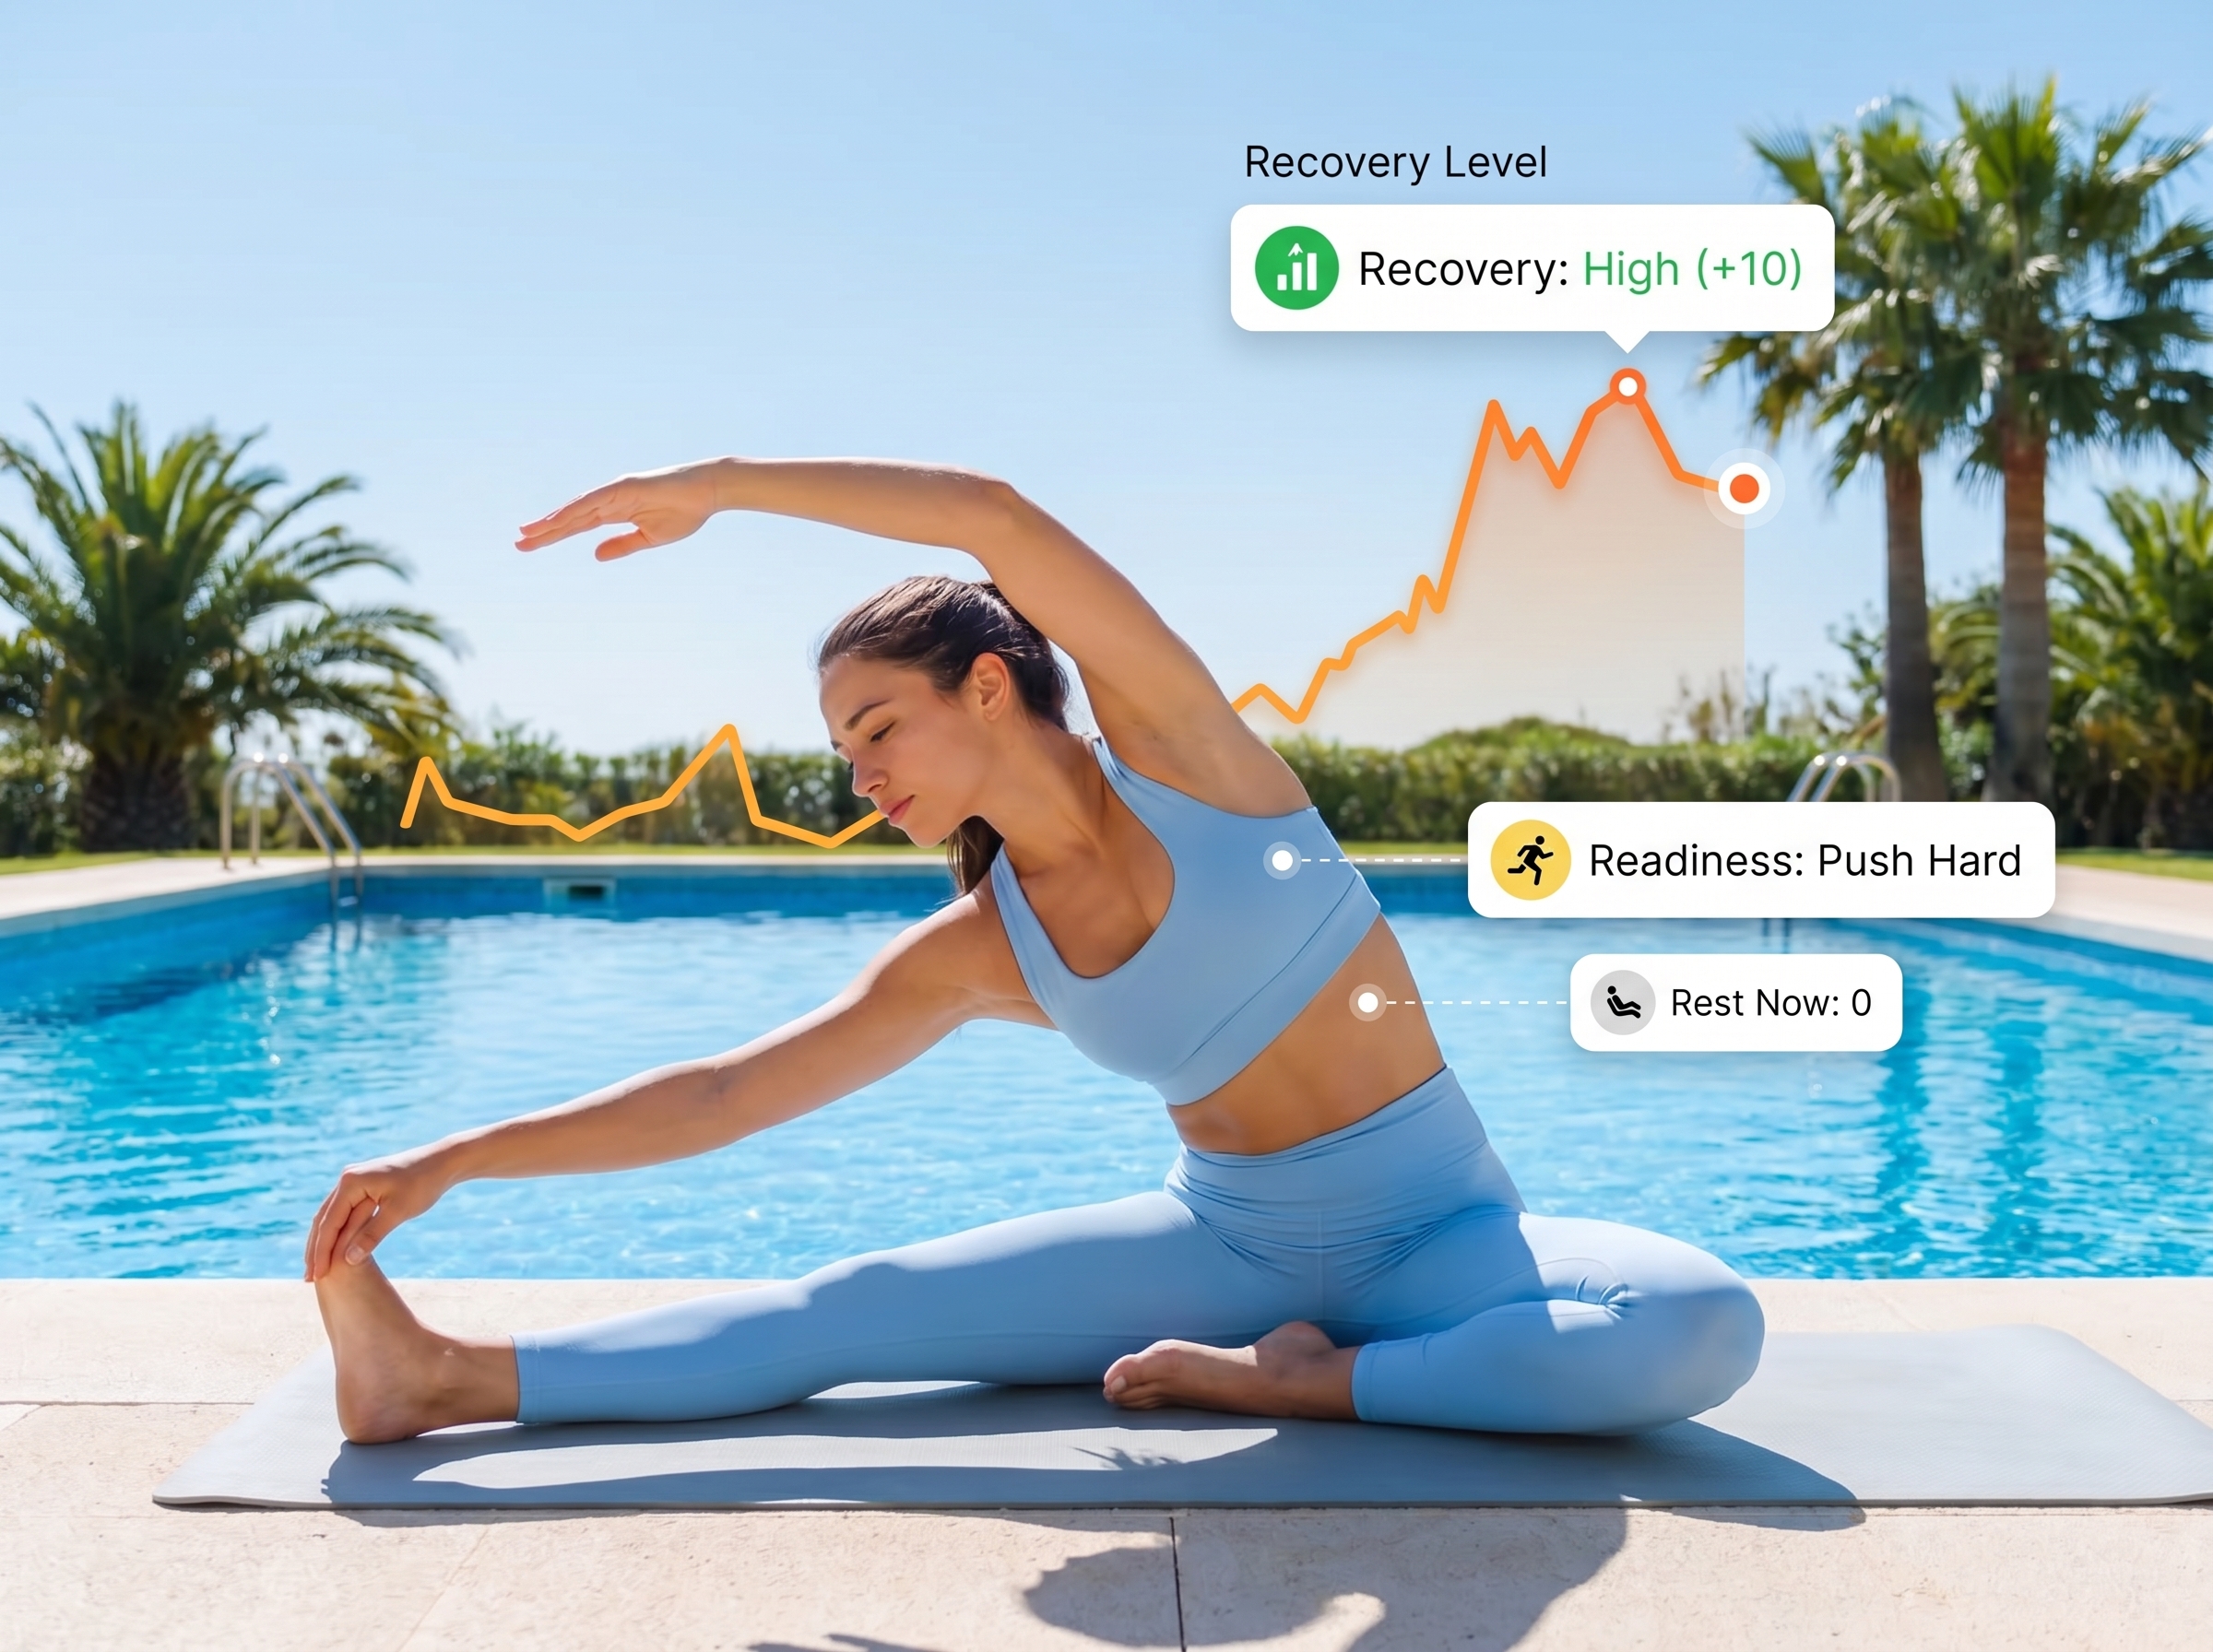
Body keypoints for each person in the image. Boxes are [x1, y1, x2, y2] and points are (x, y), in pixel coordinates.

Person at [303, 456, 1764, 1445]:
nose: (860, 775)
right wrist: (453, 1161)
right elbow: (721, 1097)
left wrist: (726, 488)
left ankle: (1316, 1387)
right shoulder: (979, 949)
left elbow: (995, 520)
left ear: (991, 685)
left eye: (879, 728)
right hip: (1224, 1244)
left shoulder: (1202, 772)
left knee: (1698, 1326)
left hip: (1442, 1231)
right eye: (841, 750)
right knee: (855, 1312)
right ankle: (435, 1377)